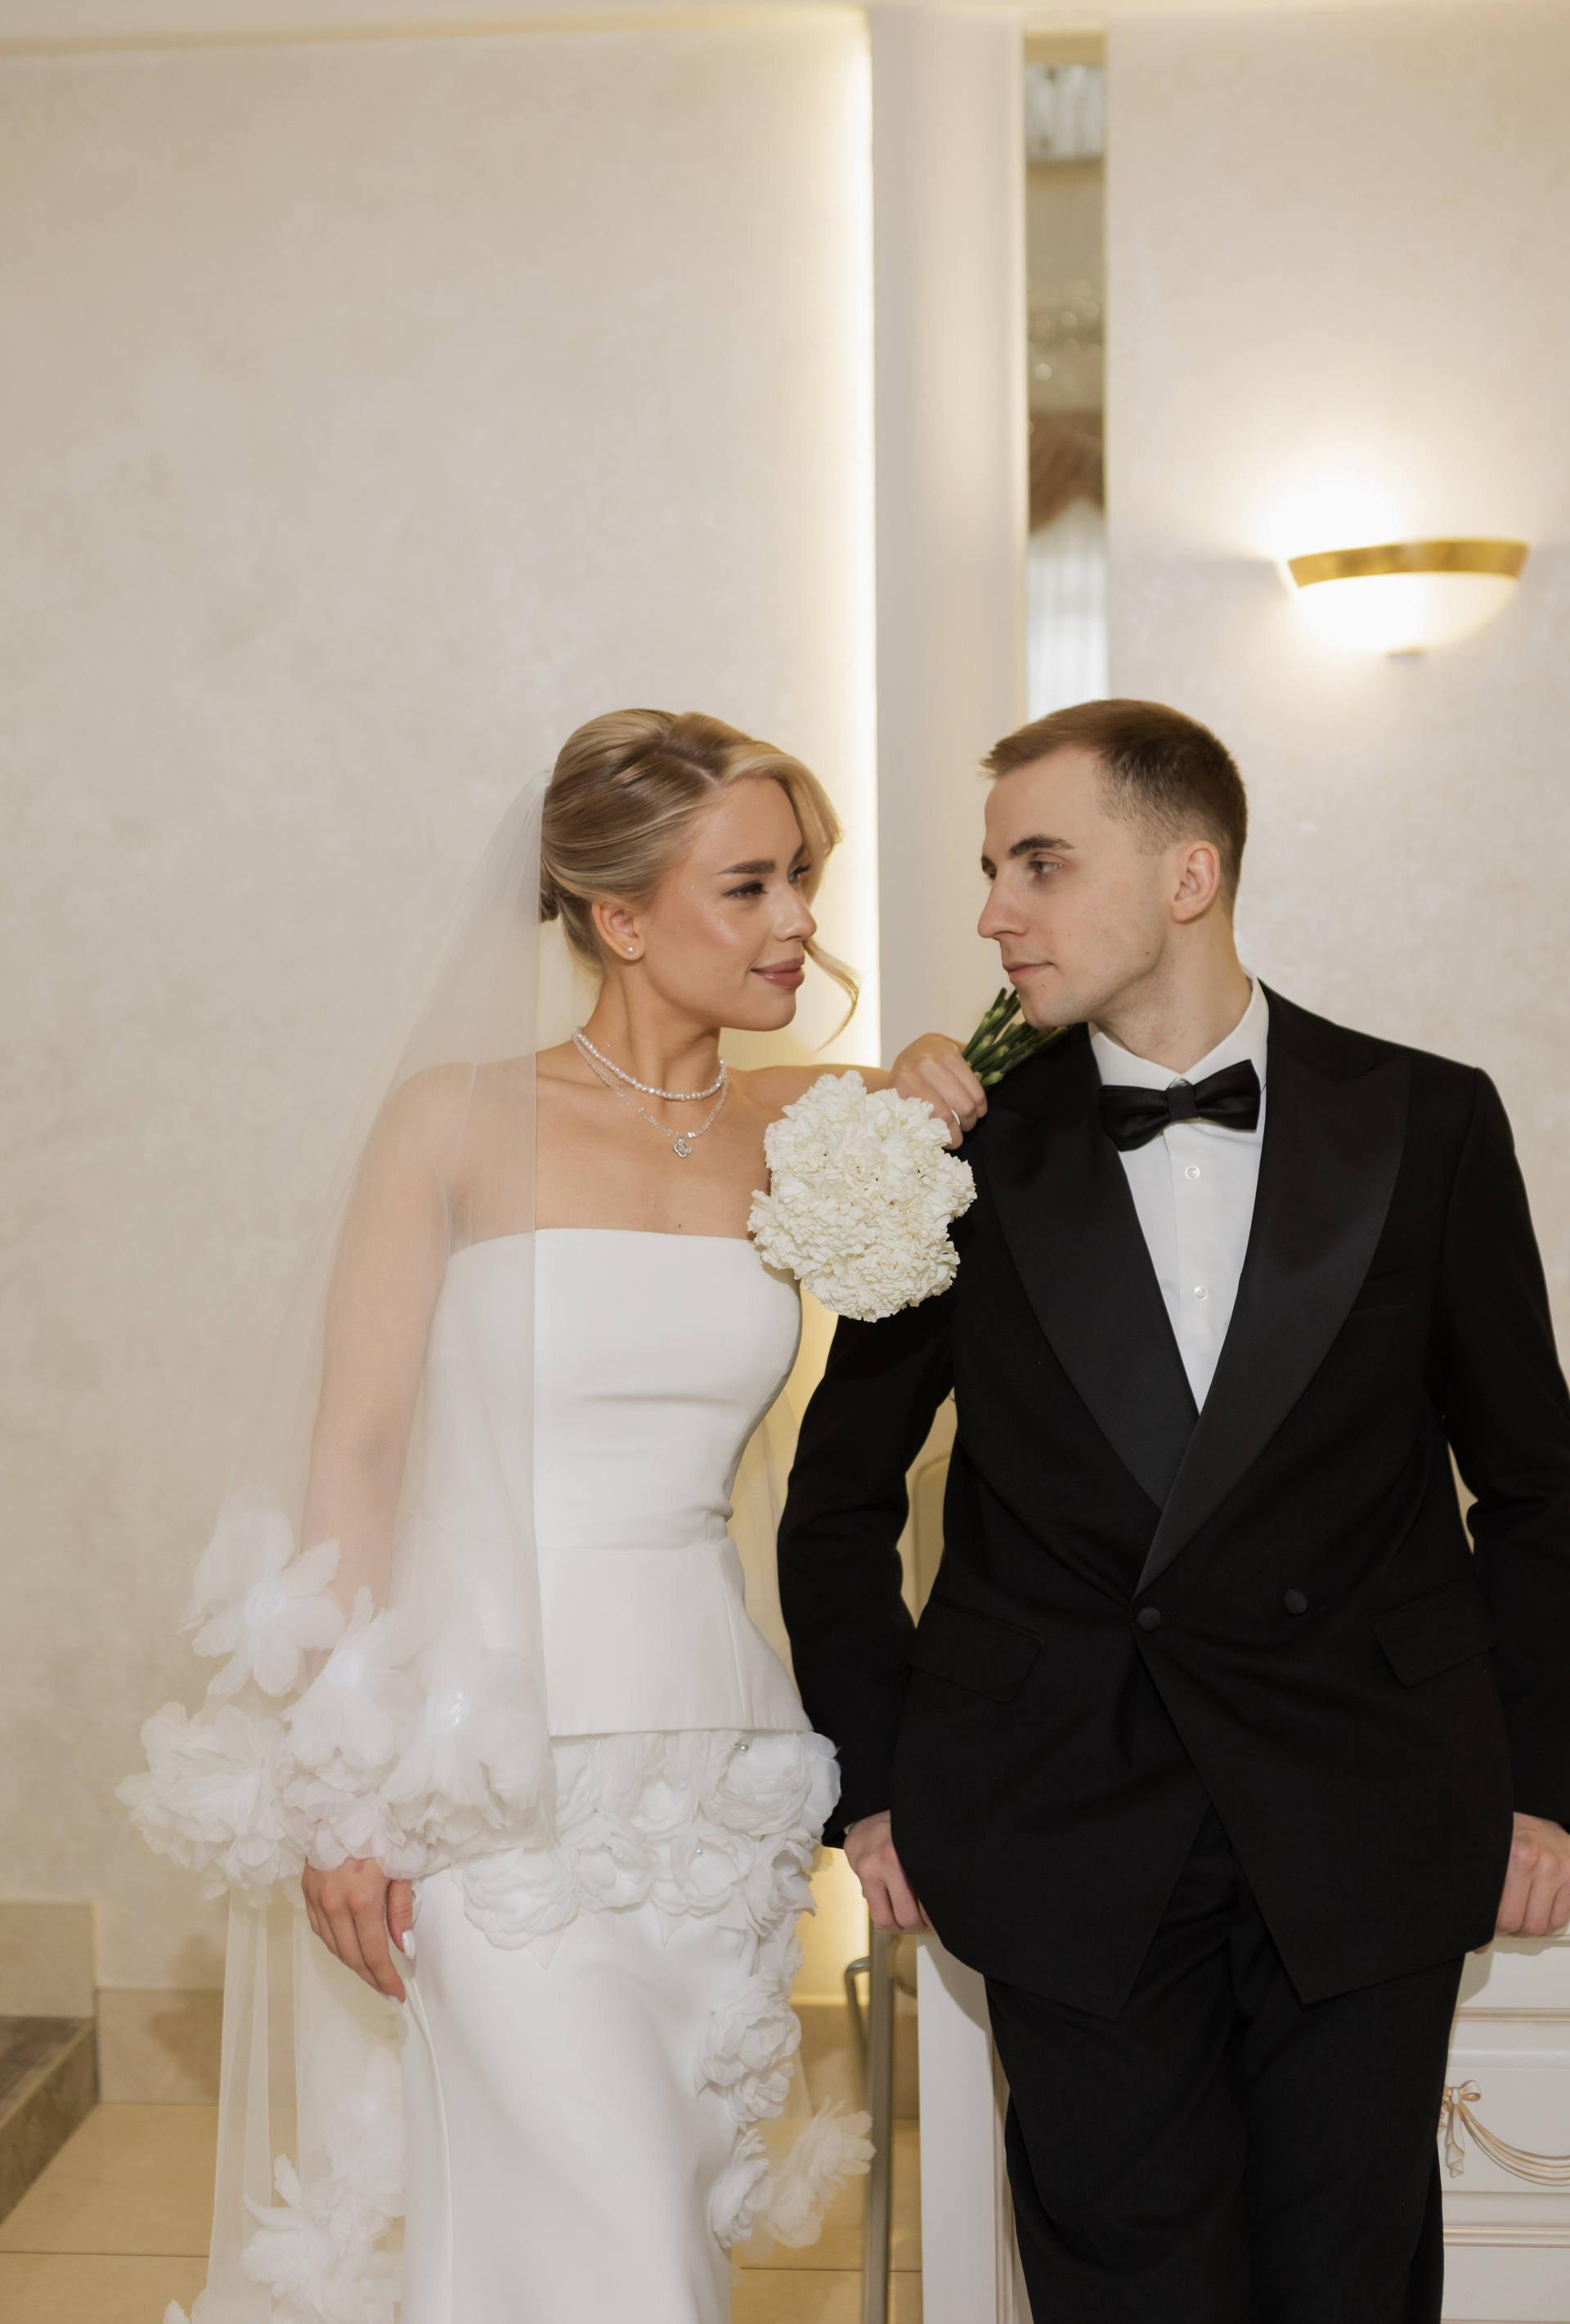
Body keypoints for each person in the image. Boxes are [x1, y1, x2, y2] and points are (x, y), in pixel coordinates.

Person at [123, 708, 976, 2324]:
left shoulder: (822, 1128)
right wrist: (341, 1792)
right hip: (486, 1776)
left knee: (654, 2230)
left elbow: (993, 1129)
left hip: (712, 1780)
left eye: (803, 876)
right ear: (620, 918)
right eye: (750, 885)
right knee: (616, 2252)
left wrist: (933, 1070)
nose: (799, 920)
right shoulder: (451, 1122)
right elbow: (359, 1455)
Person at [777, 697, 1570, 2324]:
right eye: (992, 870)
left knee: (1351, 2286)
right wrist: (874, 1787)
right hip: (1061, 1827)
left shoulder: (1427, 1119)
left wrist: (1543, 1789)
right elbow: (836, 1497)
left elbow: (1538, 1487)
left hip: (1368, 1817)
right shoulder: (954, 1155)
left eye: (1041, 864)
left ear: (1188, 876)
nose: (995, 912)